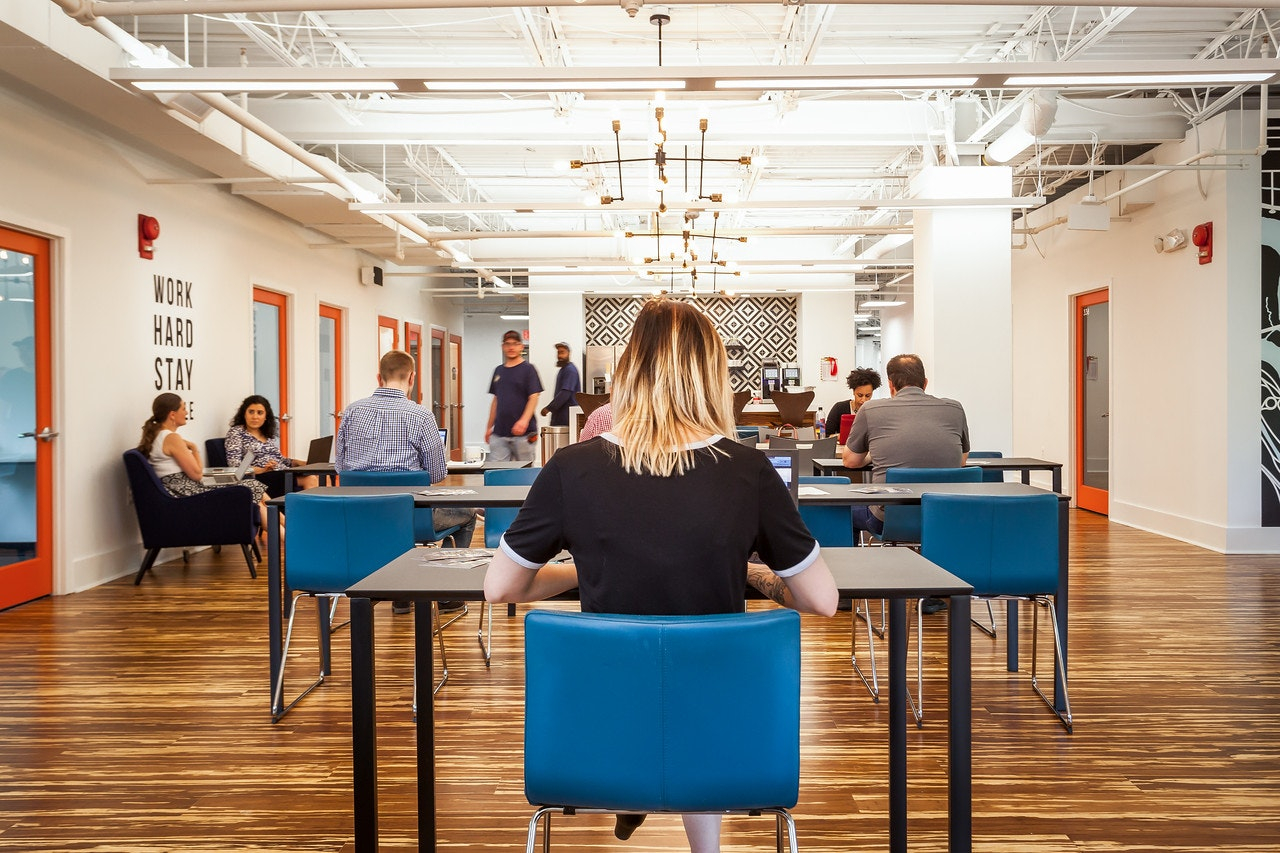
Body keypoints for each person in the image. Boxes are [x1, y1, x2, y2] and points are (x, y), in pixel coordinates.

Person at [485, 299, 838, 853]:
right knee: (700, 681)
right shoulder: (747, 470)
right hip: (720, 721)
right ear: (711, 375)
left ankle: (634, 795)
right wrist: (746, 570)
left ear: (629, 373)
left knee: (652, 689)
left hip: (601, 718)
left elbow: (500, 587)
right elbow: (821, 598)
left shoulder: (572, 468)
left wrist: (586, 565)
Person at [336, 350, 477, 613]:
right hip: (410, 518)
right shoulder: (421, 416)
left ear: (379, 377)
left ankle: (402, 595)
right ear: (412, 378)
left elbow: (341, 468)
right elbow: (437, 474)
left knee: (392, 521)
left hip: (359, 517)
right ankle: (445, 594)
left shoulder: (352, 412)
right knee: (467, 514)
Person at [841, 353, 969, 614]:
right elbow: (962, 460)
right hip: (944, 520)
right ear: (925, 382)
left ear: (890, 385)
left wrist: (872, 453)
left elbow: (851, 462)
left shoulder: (871, 410)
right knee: (926, 517)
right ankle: (933, 591)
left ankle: (846, 592)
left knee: (839, 509)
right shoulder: (955, 408)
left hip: (890, 520)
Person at [138, 392, 270, 532]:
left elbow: (197, 474)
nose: (186, 411)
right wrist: (194, 449)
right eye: (183, 408)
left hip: (185, 488)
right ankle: (289, 533)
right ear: (172, 414)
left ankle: (288, 533)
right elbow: (197, 474)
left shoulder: (161, 435)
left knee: (253, 490)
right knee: (250, 486)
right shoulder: (171, 437)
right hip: (185, 492)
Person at [224, 395, 318, 497]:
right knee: (310, 478)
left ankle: (317, 511)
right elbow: (235, 466)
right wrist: (261, 469)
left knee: (318, 475)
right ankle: (312, 512)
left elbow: (281, 460)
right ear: (244, 414)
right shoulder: (236, 432)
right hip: (259, 476)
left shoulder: (266, 434)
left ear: (265, 416)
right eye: (251, 412)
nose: (255, 417)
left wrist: (298, 462)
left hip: (279, 472)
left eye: (260, 413)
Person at [485, 330, 542, 462]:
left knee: (524, 473)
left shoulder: (529, 370)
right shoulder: (498, 371)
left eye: (515, 344)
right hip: (499, 433)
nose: (511, 347)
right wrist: (489, 427)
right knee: (497, 472)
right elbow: (496, 400)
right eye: (508, 344)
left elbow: (534, 396)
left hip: (524, 434)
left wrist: (524, 421)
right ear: (503, 347)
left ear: (521, 346)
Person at [825, 366, 881, 432]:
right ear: (853, 392)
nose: (863, 400)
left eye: (868, 396)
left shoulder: (875, 411)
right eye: (860, 395)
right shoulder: (839, 408)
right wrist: (839, 437)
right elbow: (827, 434)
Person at [539, 341, 581, 427]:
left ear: (569, 353)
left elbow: (565, 393)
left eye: (562, 352)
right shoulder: (563, 370)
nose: (560, 356)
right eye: (558, 353)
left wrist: (548, 408)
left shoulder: (570, 370)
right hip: (560, 417)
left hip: (567, 418)